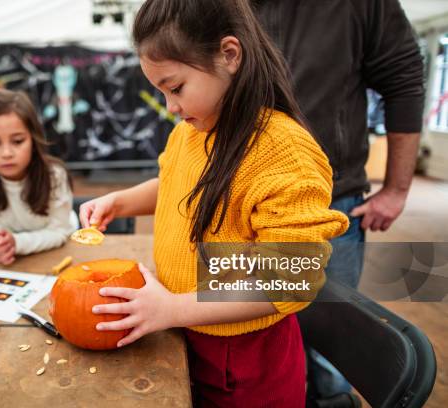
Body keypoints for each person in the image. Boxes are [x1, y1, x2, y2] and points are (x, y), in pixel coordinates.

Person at [79, 0, 349, 406]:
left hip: (245, 362)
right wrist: (120, 201)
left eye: (176, 88)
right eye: (161, 92)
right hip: (189, 331)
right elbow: (175, 184)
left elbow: (291, 277)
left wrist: (171, 308)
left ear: (229, 55)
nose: (170, 107)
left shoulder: (283, 151)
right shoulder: (192, 131)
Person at [253, 2, 424, 406]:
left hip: (332, 199)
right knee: (252, 332)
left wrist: (396, 189)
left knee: (332, 350)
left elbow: (403, 78)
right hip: (242, 204)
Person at [0, 89, 77, 266]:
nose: (7, 153)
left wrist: (17, 243)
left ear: (33, 140)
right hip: (18, 259)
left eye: (17, 141)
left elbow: (59, 233)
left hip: (65, 250)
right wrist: (0, 244)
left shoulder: (55, 176)